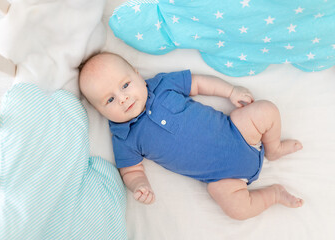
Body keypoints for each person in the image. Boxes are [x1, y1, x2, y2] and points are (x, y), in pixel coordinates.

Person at [79, 52, 304, 220]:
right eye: (109, 100)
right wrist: (139, 184)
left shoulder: (163, 85)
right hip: (225, 180)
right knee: (237, 210)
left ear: (137, 75)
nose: (123, 99)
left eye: (125, 85)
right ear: (100, 112)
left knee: (265, 110)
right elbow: (131, 170)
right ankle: (274, 195)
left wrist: (230, 91)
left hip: (240, 133)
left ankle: (273, 149)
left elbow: (198, 83)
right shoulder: (123, 137)